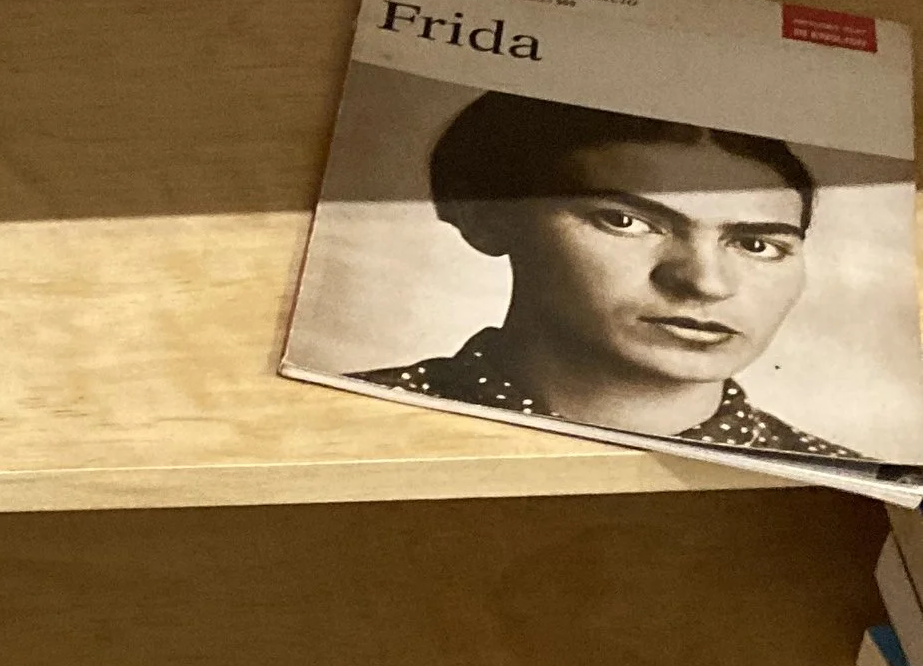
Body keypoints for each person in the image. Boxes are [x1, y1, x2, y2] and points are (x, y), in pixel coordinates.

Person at [362, 89, 868, 458]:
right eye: (626, 222)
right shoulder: (353, 422)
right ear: (487, 219)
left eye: (757, 245)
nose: (705, 283)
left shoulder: (845, 485)